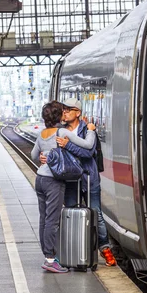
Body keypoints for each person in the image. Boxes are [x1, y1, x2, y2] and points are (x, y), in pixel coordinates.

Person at [31, 100, 96, 273]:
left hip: (40, 179)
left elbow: (33, 155)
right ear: (58, 116)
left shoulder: (42, 134)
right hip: (54, 181)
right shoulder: (62, 131)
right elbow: (88, 145)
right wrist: (90, 131)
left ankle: (48, 255)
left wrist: (42, 158)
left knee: (44, 219)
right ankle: (50, 259)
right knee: (52, 219)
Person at [50, 97, 117, 266]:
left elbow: (88, 153)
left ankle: (105, 249)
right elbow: (56, 153)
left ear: (77, 112)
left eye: (68, 109)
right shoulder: (60, 131)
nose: (64, 112)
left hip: (89, 177)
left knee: (96, 214)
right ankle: (74, 250)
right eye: (63, 109)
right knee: (71, 212)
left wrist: (68, 146)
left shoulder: (88, 130)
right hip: (70, 180)